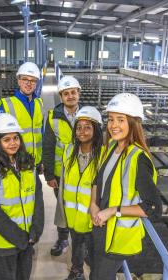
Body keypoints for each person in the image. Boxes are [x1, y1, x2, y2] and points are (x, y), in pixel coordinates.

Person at [90, 93, 162, 280]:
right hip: (101, 229)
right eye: (111, 119)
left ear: (133, 123)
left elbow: (153, 208)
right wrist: (93, 204)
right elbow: (97, 179)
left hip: (118, 239)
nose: (113, 125)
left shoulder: (138, 159)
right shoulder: (113, 146)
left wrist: (113, 211)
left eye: (120, 120)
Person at [0, 113, 44, 280]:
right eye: (7, 139)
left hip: (26, 240)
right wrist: (20, 238)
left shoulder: (27, 164)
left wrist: (36, 229)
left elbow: (38, 199)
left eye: (16, 138)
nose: (13, 143)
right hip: (2, 243)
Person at [55, 106, 105, 280]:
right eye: (79, 127)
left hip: (94, 217)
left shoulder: (104, 155)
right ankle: (76, 271)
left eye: (87, 127)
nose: (82, 131)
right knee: (76, 245)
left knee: (93, 252)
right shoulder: (69, 151)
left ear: (96, 130)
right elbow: (63, 185)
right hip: (74, 215)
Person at [43, 75, 81, 256]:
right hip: (61, 173)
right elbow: (48, 147)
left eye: (73, 92)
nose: (70, 96)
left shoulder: (88, 115)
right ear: (61, 96)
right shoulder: (52, 117)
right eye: (66, 93)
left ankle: (81, 242)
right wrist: (49, 175)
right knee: (62, 208)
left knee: (83, 207)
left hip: (84, 173)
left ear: (78, 93)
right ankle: (63, 238)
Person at [0, 62, 43, 167]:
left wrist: (41, 160)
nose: (29, 83)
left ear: (36, 83)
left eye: (33, 80)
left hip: (35, 161)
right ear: (18, 81)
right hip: (14, 163)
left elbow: (41, 132)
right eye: (25, 79)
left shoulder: (39, 103)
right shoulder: (6, 105)